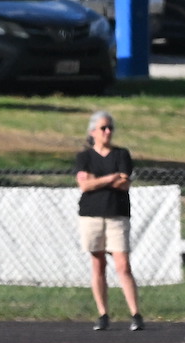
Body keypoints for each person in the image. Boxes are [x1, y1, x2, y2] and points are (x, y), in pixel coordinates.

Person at [75, 110, 144, 331]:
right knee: (98, 265)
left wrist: (99, 180)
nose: (107, 132)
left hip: (117, 214)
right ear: (93, 131)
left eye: (110, 128)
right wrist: (110, 177)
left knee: (122, 265)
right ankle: (103, 313)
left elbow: (124, 183)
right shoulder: (84, 157)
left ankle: (135, 314)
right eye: (103, 128)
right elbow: (84, 185)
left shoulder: (121, 154)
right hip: (91, 214)